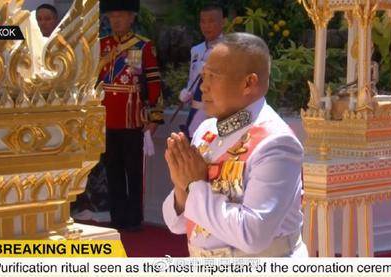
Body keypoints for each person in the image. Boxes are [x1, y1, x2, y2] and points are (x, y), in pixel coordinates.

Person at [162, 33, 307, 257]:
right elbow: (176, 224)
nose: (204, 87)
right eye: (203, 76)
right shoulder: (206, 130)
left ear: (249, 83)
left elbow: (252, 235)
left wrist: (193, 185)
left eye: (213, 77)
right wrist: (182, 188)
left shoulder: (276, 143)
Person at [99, 0, 163, 231]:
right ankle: (117, 219)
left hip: (132, 118)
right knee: (112, 171)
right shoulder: (102, 45)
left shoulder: (144, 47)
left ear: (131, 18)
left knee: (133, 172)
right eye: (112, 16)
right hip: (107, 119)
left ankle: (134, 220)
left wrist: (154, 116)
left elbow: (154, 81)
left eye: (121, 16)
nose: (116, 20)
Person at [178, 3, 225, 138]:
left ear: (222, 22)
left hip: (217, 114)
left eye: (211, 21)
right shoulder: (196, 50)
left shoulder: (229, 49)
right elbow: (192, 79)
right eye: (203, 22)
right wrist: (187, 92)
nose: (206, 26)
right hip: (195, 111)